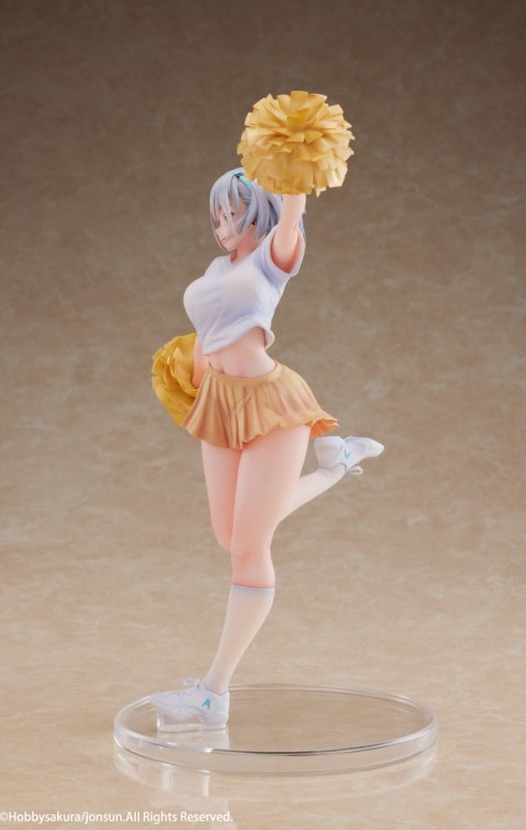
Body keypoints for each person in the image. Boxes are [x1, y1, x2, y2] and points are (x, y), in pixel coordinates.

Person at [148, 166, 384, 731]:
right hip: (220, 403)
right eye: (217, 215)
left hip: (272, 404)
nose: (223, 225)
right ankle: (335, 465)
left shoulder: (272, 260)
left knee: (251, 547)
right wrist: (190, 377)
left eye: (234, 213)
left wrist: (292, 165)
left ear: (259, 213)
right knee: (229, 535)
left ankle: (213, 694)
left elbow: (293, 213)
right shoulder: (217, 269)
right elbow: (210, 332)